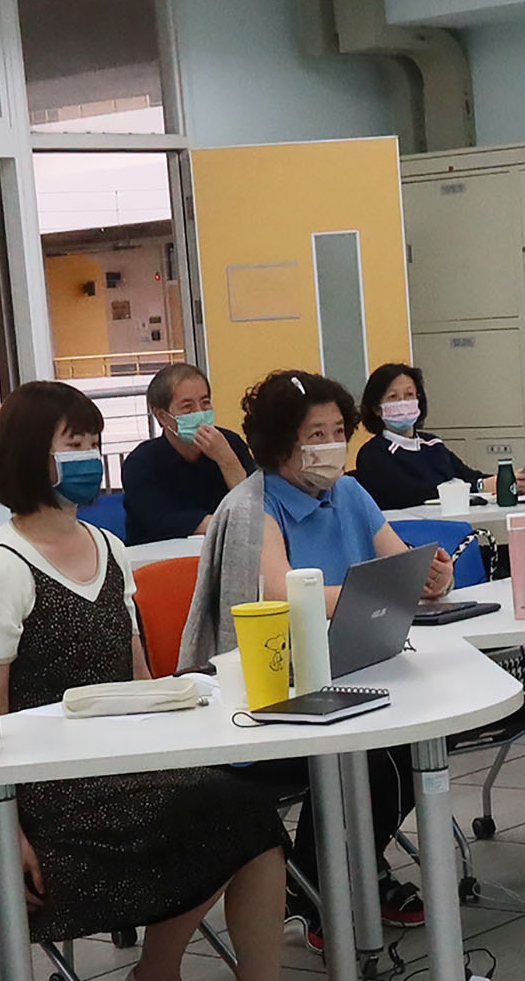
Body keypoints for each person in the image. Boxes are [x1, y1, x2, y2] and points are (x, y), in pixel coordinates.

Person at [0, 382, 352, 981]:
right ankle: (158, 979)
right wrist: (10, 829)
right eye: (72, 444)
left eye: (93, 443)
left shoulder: (108, 547)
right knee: (220, 816)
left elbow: (141, 676)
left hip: (129, 758)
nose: (89, 457)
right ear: (29, 455)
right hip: (55, 788)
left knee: (250, 815)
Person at [184, 369, 448, 931]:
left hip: (345, 672)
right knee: (375, 757)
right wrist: (372, 591)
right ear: (282, 444)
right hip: (271, 696)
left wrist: (429, 577)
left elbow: (397, 562)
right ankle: (323, 890)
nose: (332, 446)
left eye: (338, 432)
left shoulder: (348, 491)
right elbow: (282, 593)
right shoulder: (252, 508)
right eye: (316, 435)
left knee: (413, 742)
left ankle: (344, 873)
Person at [118, 361, 246, 543]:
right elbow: (165, 522)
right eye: (187, 407)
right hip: (161, 555)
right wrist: (235, 523)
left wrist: (227, 460)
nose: (199, 412)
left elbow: (257, 507)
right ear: (162, 416)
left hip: (227, 550)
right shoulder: (140, 463)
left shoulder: (231, 443)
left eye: (205, 403)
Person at [351, 362, 485, 511]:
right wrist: (476, 486)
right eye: (393, 397)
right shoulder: (372, 453)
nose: (402, 402)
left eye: (409, 395)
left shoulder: (433, 443)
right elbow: (413, 495)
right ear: (377, 408)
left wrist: (498, 481)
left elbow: (468, 475)